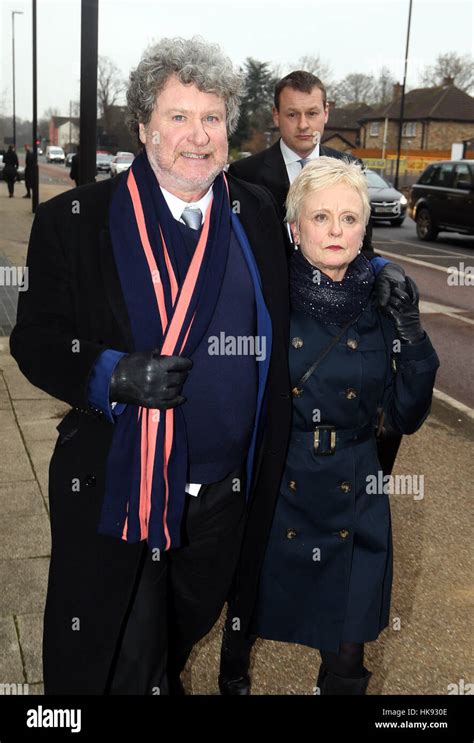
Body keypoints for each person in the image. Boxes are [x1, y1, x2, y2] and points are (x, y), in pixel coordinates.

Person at [10, 36, 292, 695]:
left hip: (222, 501)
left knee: (180, 632)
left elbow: (295, 308)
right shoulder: (74, 223)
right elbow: (36, 340)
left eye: (212, 117)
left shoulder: (253, 214)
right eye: (179, 116)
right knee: (120, 656)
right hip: (120, 489)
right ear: (142, 126)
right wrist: (108, 373)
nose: (199, 135)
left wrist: (370, 292)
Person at [219, 157, 439, 695]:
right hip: (280, 480)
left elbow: (408, 414)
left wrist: (410, 330)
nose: (336, 231)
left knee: (348, 646)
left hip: (354, 485)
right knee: (247, 613)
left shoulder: (384, 301)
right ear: (294, 229)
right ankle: (233, 677)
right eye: (321, 218)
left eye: (349, 218)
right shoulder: (267, 300)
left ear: (366, 228)